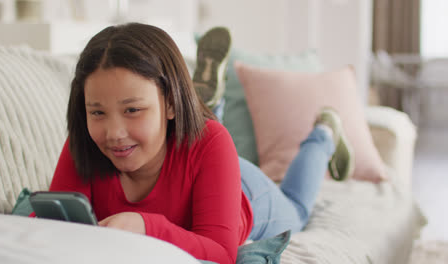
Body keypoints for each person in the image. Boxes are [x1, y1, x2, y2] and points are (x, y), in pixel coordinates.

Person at [49, 23, 354, 264]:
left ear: (170, 103)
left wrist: (145, 227)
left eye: (132, 110)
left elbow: (222, 254)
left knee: (298, 210)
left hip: (241, 189)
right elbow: (48, 230)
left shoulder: (212, 143)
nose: (113, 132)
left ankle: (324, 133)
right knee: (201, 133)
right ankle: (205, 101)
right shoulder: (85, 143)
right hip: (189, 149)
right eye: (97, 112)